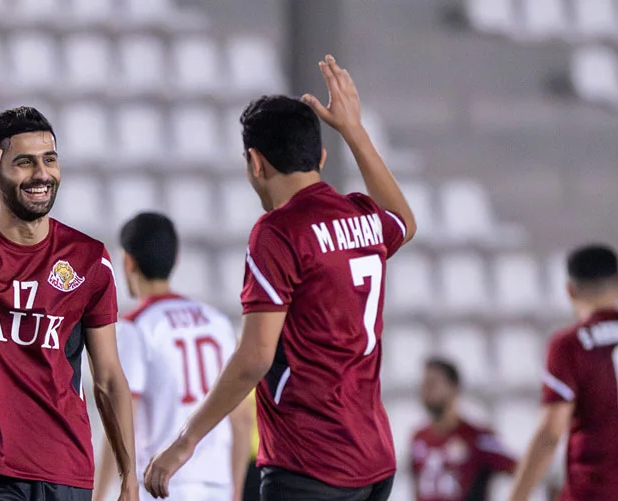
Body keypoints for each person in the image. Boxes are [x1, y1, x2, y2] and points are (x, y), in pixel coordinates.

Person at [142, 54, 417, 501]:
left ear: (255, 162)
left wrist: (185, 441)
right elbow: (404, 220)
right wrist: (354, 130)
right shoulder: (362, 216)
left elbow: (255, 356)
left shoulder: (277, 232)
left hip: (310, 463)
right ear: (322, 157)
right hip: (374, 463)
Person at [0, 108, 138, 501]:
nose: (42, 174)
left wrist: (128, 476)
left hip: (68, 466)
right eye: (24, 162)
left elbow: (107, 377)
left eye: (49, 159)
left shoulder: (89, 258)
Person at [92, 213, 253, 501]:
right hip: (217, 485)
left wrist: (102, 492)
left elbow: (121, 416)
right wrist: (235, 490)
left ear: (128, 261)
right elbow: (241, 418)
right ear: (176, 257)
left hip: (160, 484)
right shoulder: (216, 322)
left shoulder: (136, 326)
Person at [508, 245, 618, 501]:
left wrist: (517, 496)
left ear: (569, 290)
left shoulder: (570, 345)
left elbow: (550, 433)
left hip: (599, 491)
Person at [410, 358, 516, 501]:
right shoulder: (418, 437)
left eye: (433, 383)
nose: (426, 390)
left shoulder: (478, 437)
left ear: (454, 387)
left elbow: (521, 470)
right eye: (424, 384)